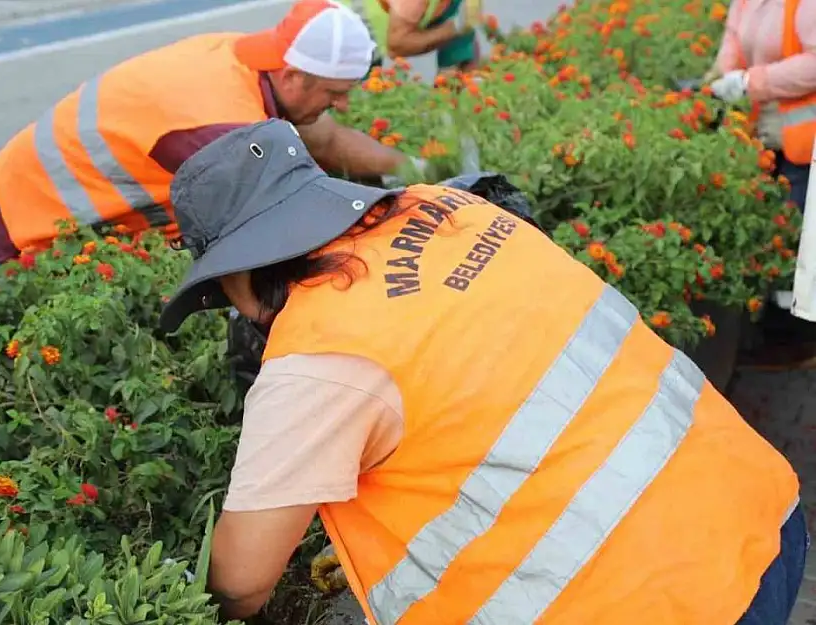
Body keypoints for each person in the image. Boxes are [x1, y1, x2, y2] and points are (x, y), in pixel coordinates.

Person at [158, 119, 807, 625]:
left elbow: (243, 579)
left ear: (237, 268)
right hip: (756, 517)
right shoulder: (449, 210)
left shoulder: (317, 353)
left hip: (645, 601)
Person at [0, 0, 415, 267]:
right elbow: (285, 222)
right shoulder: (224, 125)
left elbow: (328, 140)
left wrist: (417, 171)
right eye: (335, 94)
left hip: (29, 197)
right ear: (295, 76)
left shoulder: (247, 59)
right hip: (23, 227)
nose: (342, 106)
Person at [707, 0, 816, 369]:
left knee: (798, 245)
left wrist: (751, 82)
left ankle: (800, 342)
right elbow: (733, 40)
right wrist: (725, 76)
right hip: (768, 138)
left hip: (806, 142)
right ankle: (784, 337)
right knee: (778, 239)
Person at [340, 0, 482, 75]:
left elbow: (461, 47)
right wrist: (455, 28)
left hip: (360, 47)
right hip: (338, 42)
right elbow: (397, 46)